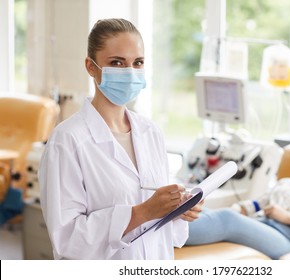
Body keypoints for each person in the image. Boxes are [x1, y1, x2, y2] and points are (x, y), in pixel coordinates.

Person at [38, 18, 202, 260]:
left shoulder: (150, 132)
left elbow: (161, 229)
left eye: (138, 63)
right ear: (91, 67)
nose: (130, 72)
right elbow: (68, 239)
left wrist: (175, 210)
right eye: (117, 63)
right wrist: (142, 212)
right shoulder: (68, 140)